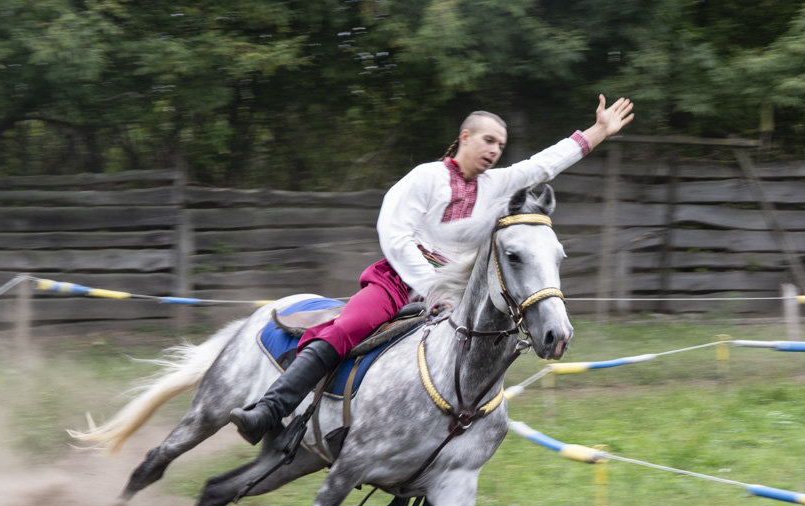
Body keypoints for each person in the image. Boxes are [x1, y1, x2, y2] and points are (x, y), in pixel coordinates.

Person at [229, 94, 635, 445]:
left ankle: (442, 473)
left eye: (501, 144)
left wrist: (598, 131)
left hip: (458, 294)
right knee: (347, 326)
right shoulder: (425, 177)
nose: (494, 149)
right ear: (465, 138)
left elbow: (544, 165)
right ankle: (269, 410)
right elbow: (395, 235)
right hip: (400, 282)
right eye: (488, 140)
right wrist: (428, 286)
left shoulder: (499, 184)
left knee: (483, 359)